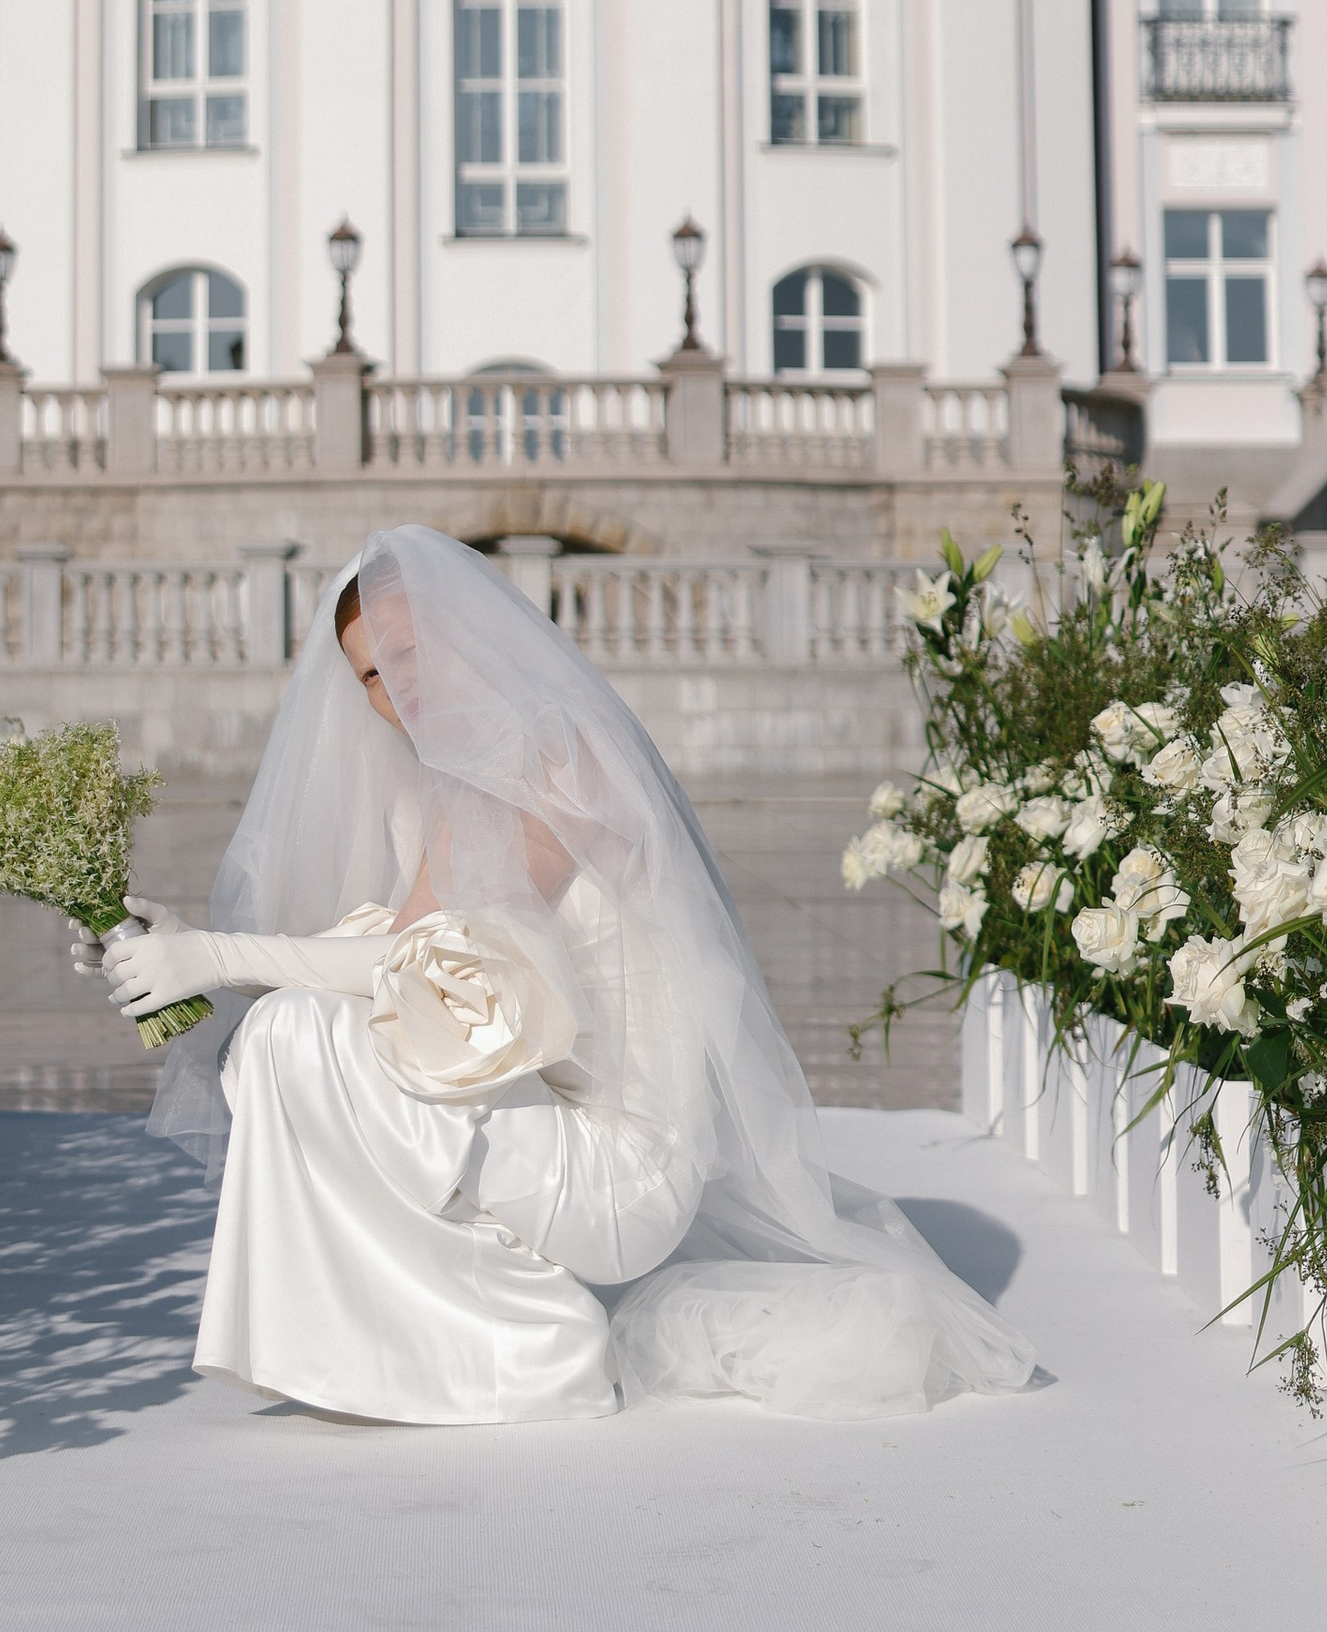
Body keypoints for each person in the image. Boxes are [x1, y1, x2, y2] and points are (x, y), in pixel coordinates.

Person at [84, 524, 1035, 1427]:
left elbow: (419, 962)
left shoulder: (552, 756)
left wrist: (217, 956)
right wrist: (192, 956)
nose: (397, 691)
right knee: (287, 1034)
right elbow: (401, 962)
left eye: (410, 655)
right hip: (544, 1107)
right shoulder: (450, 787)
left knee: (308, 1035)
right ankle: (400, 1348)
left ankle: (536, 1349)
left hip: (625, 1163)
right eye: (373, 675)